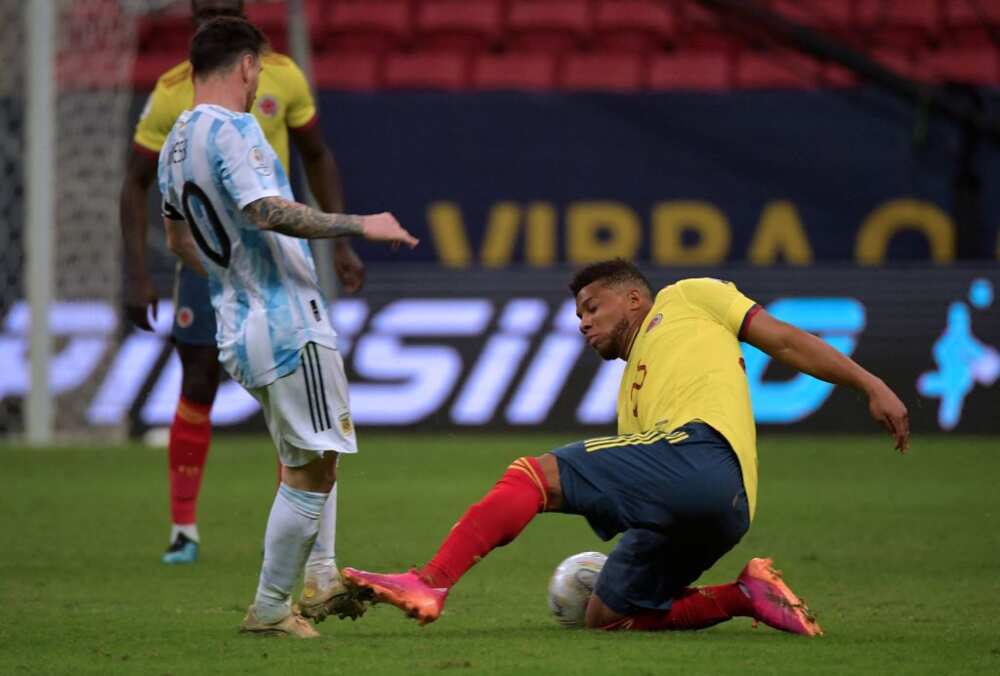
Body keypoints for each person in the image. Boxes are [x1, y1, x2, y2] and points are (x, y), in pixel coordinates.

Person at [343, 259, 909, 634]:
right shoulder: (632, 395)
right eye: (579, 316)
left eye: (592, 308)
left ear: (635, 299)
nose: (584, 324)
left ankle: (431, 580)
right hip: (725, 507)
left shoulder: (689, 297)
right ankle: (745, 594)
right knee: (610, 615)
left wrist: (871, 383)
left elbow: (784, 339)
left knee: (533, 475)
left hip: (700, 452)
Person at [157, 16, 418, 637]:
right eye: (257, 72)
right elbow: (266, 209)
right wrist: (358, 224)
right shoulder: (236, 130)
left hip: (237, 321)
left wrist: (229, 280)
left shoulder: (174, 143)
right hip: (285, 321)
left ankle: (321, 576)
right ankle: (273, 607)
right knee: (313, 464)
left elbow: (176, 237)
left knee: (309, 452)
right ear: (247, 66)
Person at [120, 0, 364, 577]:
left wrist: (343, 245)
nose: (210, 21)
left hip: (258, 268)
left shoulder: (279, 76)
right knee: (209, 386)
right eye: (204, 12)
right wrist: (138, 272)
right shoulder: (175, 92)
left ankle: (307, 568)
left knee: (295, 424)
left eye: (222, 12)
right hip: (238, 267)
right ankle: (192, 532)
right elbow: (137, 185)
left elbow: (316, 154)